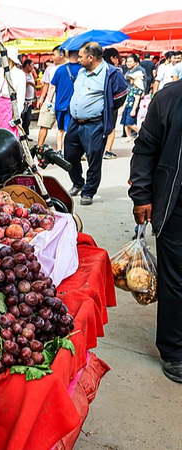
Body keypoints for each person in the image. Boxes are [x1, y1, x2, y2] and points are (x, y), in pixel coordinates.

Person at [129, 78, 182, 384]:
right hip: (176, 205)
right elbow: (145, 149)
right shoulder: (169, 98)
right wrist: (142, 195)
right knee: (176, 280)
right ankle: (174, 351)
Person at [64, 42, 128, 206]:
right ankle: (78, 183)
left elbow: (120, 96)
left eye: (81, 56)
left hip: (94, 124)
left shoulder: (111, 73)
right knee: (69, 156)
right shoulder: (82, 72)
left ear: (90, 57)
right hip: (74, 123)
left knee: (94, 160)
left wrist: (104, 110)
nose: (78, 59)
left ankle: (89, 191)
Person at [45, 49, 83, 155]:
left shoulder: (60, 69)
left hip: (58, 105)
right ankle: (67, 151)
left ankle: (59, 150)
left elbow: (52, 87)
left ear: (67, 55)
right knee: (68, 129)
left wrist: (49, 102)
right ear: (78, 56)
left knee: (60, 129)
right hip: (71, 106)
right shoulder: (81, 70)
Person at [0, 48, 26, 137]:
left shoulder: (20, 74)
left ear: (9, 59)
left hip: (11, 107)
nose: (1, 61)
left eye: (3, 59)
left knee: (9, 135)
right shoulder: (1, 72)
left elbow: (21, 98)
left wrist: (16, 115)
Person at [35, 47, 62, 148]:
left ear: (61, 54)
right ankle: (39, 146)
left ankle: (62, 150)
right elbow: (46, 84)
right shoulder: (50, 68)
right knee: (44, 124)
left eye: (54, 54)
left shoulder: (67, 66)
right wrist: (41, 98)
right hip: (49, 102)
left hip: (63, 101)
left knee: (63, 128)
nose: (52, 57)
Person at [102, 48, 123, 160]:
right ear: (112, 58)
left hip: (98, 104)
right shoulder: (115, 71)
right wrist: (115, 105)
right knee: (111, 128)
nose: (118, 61)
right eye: (117, 58)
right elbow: (122, 91)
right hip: (110, 105)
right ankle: (108, 151)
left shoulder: (97, 69)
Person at [121, 60, 144, 143]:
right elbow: (127, 98)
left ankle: (142, 133)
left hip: (132, 107)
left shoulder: (138, 89)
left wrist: (134, 109)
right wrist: (123, 107)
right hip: (127, 106)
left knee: (130, 122)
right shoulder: (131, 88)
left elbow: (137, 99)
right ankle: (128, 136)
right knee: (125, 123)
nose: (131, 80)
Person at [21, 59, 36, 137]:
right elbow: (22, 86)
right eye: (32, 65)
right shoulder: (21, 74)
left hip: (30, 100)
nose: (33, 67)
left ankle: (26, 134)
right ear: (27, 65)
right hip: (24, 100)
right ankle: (22, 135)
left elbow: (33, 86)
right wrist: (29, 83)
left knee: (28, 119)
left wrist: (35, 95)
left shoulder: (30, 74)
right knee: (23, 119)